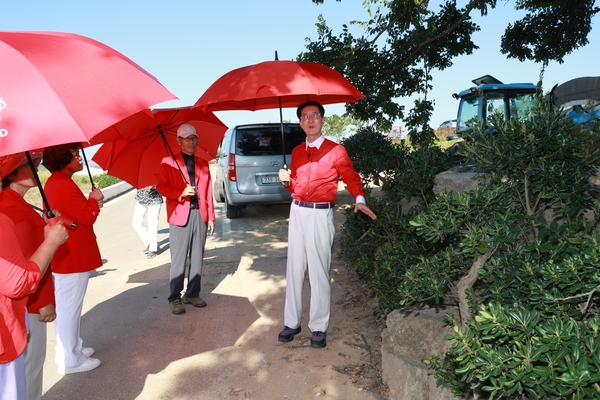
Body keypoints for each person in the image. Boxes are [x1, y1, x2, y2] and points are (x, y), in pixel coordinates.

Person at [277, 101, 377, 349]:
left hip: (319, 215)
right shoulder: (298, 152)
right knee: (294, 268)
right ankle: (292, 321)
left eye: (315, 115)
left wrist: (360, 198)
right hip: (297, 211)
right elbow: (296, 185)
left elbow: (351, 176)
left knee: (319, 271)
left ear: (322, 120)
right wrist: (285, 181)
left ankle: (318, 326)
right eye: (304, 116)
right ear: (300, 123)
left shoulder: (336, 150)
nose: (310, 120)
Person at [0, 152, 60, 400]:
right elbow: (19, 271)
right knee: (31, 369)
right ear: (10, 172)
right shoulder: (9, 210)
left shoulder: (18, 204)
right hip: (28, 301)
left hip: (29, 298)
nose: (37, 168)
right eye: (29, 164)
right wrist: (40, 301)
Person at [42, 143, 105, 375]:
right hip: (72, 254)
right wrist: (94, 199)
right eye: (74, 154)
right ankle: (70, 359)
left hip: (68, 253)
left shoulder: (57, 181)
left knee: (68, 306)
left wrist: (91, 202)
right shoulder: (61, 183)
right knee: (69, 308)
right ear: (61, 158)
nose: (80, 157)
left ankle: (71, 349)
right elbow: (87, 217)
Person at [156, 123, 215, 315]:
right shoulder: (168, 162)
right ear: (178, 141)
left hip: (200, 214)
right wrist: (180, 192)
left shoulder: (203, 163)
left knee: (197, 256)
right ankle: (175, 297)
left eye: (194, 138)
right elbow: (161, 187)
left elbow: (208, 192)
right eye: (187, 138)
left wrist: (211, 217)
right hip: (179, 215)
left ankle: (192, 293)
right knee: (179, 258)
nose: (192, 142)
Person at [132, 185, 163, 259]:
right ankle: (150, 242)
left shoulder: (159, 172)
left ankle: (152, 248)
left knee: (152, 224)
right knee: (136, 223)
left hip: (154, 198)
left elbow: (164, 180)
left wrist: (154, 184)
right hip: (141, 197)